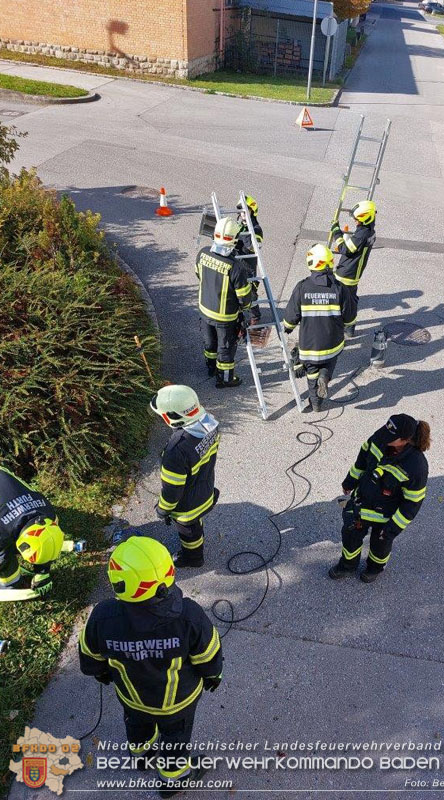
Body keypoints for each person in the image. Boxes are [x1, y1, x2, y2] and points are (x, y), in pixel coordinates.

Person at [79, 536, 223, 798]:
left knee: (137, 726)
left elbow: (90, 655)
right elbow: (209, 653)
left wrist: (100, 672)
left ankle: (142, 755)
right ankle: (173, 780)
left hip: (133, 700)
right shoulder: (189, 616)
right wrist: (214, 676)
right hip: (177, 703)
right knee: (175, 740)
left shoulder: (103, 616)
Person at [329, 413, 430, 583]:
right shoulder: (380, 437)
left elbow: (412, 503)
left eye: (391, 437)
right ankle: (347, 566)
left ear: (404, 440)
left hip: (386, 517)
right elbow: (362, 460)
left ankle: (374, 569)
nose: (383, 438)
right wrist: (350, 481)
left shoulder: (416, 466)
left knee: (380, 545)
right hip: (361, 503)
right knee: (350, 535)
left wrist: (391, 529)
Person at [150, 385, 219, 569]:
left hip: (187, 506)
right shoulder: (209, 424)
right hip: (205, 489)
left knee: (188, 532)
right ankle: (196, 541)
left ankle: (193, 558)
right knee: (196, 523)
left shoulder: (175, 451)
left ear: (171, 417)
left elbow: (172, 491)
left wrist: (162, 510)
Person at [283, 244, 357, 414]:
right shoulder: (339, 288)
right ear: (329, 263)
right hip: (333, 343)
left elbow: (290, 317)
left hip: (310, 347)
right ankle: (325, 376)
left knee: (311, 374)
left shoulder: (302, 287)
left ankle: (316, 404)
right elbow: (350, 318)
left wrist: (288, 327)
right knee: (329, 362)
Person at [195, 216, 252, 388]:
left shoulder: (202, 254)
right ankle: (226, 379)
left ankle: (210, 368)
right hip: (225, 317)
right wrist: (246, 309)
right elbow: (244, 297)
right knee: (225, 348)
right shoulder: (236, 267)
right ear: (234, 240)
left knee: (209, 343)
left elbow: (198, 274)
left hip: (204, 311)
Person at [0, 466, 64, 597]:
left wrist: (42, 573)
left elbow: (46, 538)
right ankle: (10, 584)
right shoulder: (49, 512)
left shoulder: (49, 512)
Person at [330, 199, 377, 337]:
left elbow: (345, 249)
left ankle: (338, 328)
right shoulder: (369, 231)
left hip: (347, 273)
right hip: (354, 273)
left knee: (339, 302)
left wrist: (336, 232)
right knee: (351, 300)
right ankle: (350, 327)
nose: (355, 221)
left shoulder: (362, 234)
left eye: (357, 219)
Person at [236, 194, 263, 326]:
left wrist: (243, 233)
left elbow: (254, 246)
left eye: (245, 210)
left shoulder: (256, 229)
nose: (242, 214)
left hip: (248, 268)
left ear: (252, 211)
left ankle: (255, 317)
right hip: (237, 265)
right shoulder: (238, 225)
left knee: (251, 294)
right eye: (241, 211)